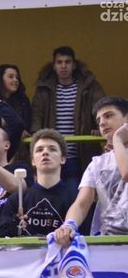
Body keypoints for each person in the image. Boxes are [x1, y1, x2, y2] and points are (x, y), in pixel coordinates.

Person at [54, 97, 128, 245]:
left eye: (108, 116)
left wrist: (117, 140)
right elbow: (81, 204)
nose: (102, 123)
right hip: (110, 243)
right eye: (98, 120)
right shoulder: (97, 163)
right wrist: (69, 224)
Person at [31, 46, 106, 191]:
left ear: (74, 65)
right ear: (54, 66)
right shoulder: (43, 89)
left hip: (80, 155)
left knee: (76, 192)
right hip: (52, 154)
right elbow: (37, 115)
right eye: (59, 62)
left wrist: (99, 128)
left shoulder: (90, 87)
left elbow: (100, 108)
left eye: (67, 62)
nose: (63, 66)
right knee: (49, 194)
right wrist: (35, 135)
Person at [0, 129, 89, 237]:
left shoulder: (77, 200)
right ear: (33, 161)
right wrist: (14, 225)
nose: (45, 152)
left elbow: (85, 235)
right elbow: (4, 236)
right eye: (39, 150)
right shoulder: (17, 200)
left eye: (52, 149)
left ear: (63, 159)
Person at [0, 64, 32, 132]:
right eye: (11, 76)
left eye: (17, 77)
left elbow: (26, 124)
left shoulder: (23, 101)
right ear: (0, 79)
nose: (15, 80)